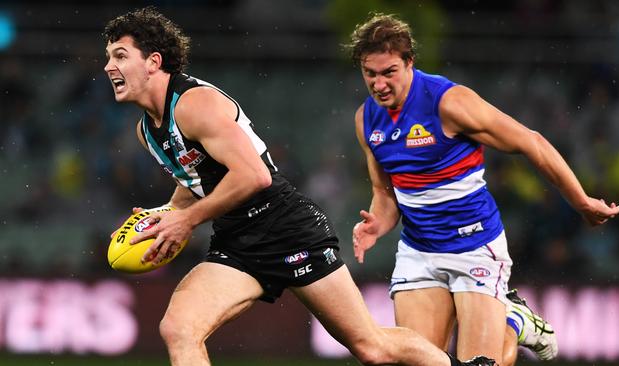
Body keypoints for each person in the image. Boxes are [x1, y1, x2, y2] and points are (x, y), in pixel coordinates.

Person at [102, 7, 495, 366]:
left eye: (120, 55)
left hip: (286, 226)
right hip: (237, 239)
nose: (108, 66)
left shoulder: (195, 104)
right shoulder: (147, 131)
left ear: (154, 62)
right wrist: (166, 215)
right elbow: (192, 186)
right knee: (178, 328)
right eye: (109, 57)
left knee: (371, 348)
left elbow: (254, 176)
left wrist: (186, 222)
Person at [346, 13, 619, 366]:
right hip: (420, 251)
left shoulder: (448, 102)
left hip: (474, 247)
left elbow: (531, 142)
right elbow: (385, 194)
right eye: (370, 74)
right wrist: (376, 226)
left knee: (481, 364)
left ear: (410, 62)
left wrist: (581, 201)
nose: (379, 84)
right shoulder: (366, 119)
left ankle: (513, 322)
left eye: (389, 72)